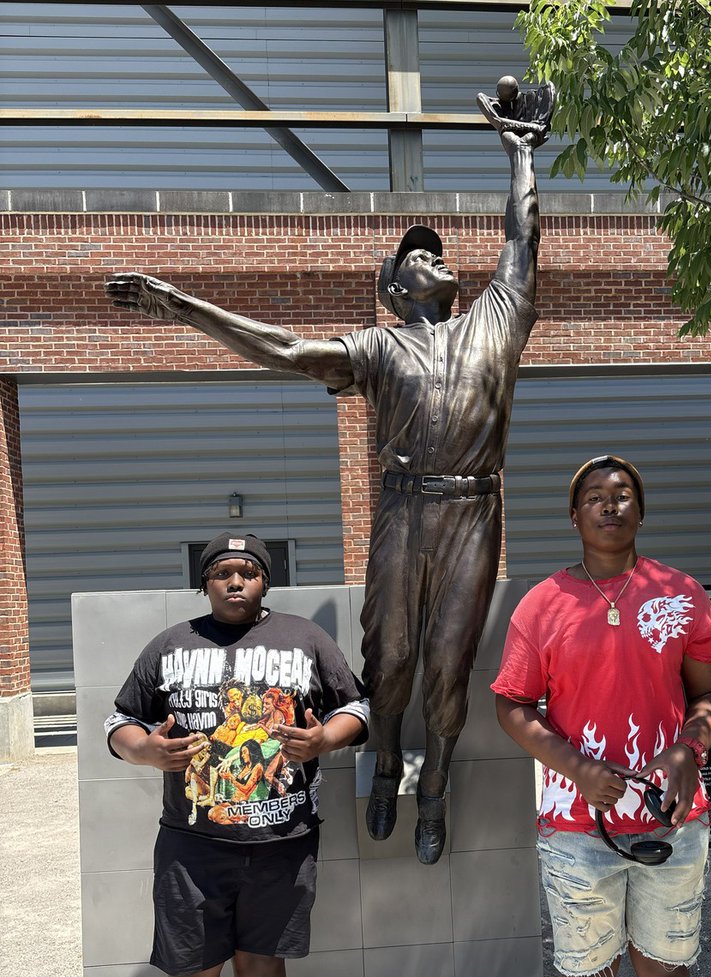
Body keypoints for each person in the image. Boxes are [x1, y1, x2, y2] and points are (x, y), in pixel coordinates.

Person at [106, 78, 554, 865]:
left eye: (440, 255)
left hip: (474, 515)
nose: (437, 261)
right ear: (393, 288)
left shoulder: (494, 320)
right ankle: (385, 764)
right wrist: (182, 306)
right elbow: (282, 348)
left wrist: (520, 153)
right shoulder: (377, 347)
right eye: (418, 257)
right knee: (391, 658)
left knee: (450, 659)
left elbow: (522, 240)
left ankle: (437, 784)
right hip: (403, 511)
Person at [491, 456, 711, 977]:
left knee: (665, 967)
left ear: (640, 510)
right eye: (594, 497)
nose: (610, 505)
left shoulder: (680, 595)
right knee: (587, 974)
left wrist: (691, 748)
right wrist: (574, 763)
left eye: (622, 495)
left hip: (671, 822)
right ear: (574, 516)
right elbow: (513, 705)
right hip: (576, 825)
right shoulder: (543, 604)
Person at [105, 533, 368, 977]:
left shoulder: (306, 639)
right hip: (193, 844)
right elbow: (120, 721)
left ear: (265, 581)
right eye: (221, 572)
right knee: (189, 974)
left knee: (260, 964)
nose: (234, 581)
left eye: (247, 571)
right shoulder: (170, 647)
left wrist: (323, 738)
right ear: (204, 584)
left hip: (282, 842)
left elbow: (358, 706)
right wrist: (146, 754)